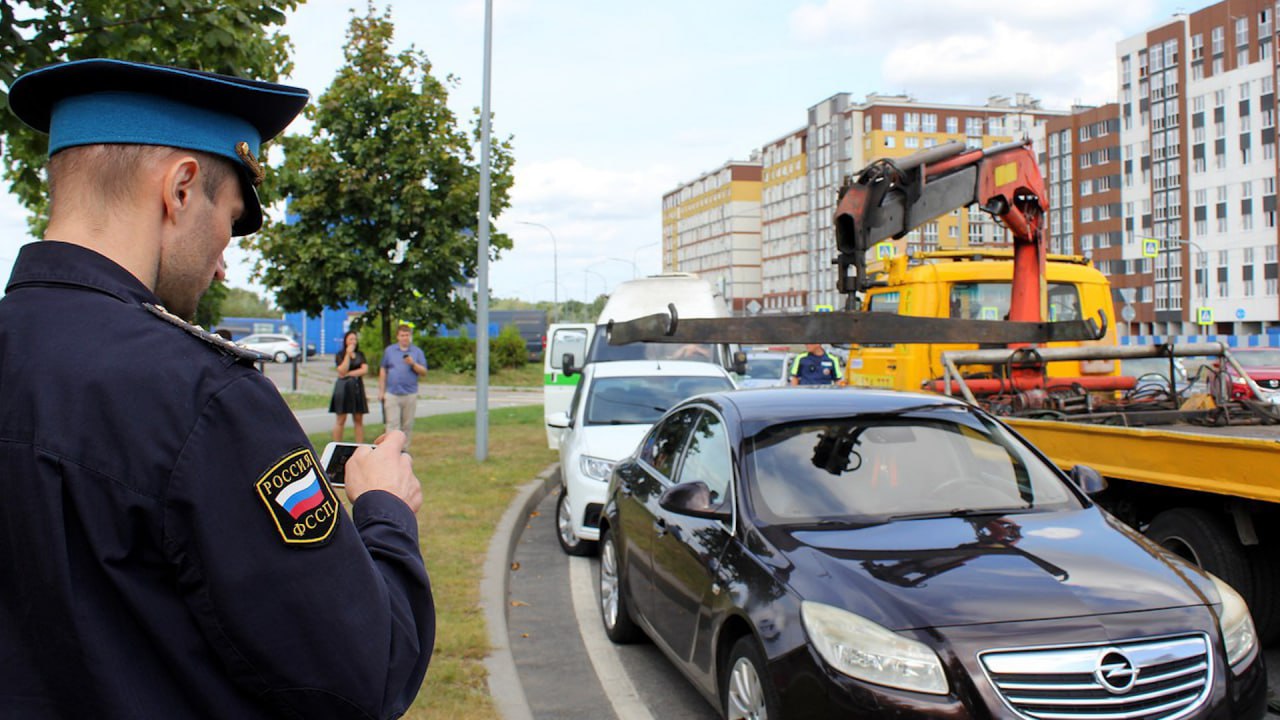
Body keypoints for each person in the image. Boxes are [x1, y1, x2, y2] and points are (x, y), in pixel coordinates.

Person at [0, 59, 434, 719]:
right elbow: (366, 673)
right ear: (179, 189)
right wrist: (385, 513)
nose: (223, 257)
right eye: (230, 221)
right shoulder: (203, 399)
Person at [379, 324, 428, 443]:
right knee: (392, 425)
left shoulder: (417, 352)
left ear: (410, 336)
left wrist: (413, 363)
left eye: (407, 335)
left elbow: (424, 372)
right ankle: (390, 450)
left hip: (410, 393)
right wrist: (381, 391)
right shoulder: (390, 350)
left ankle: (404, 451)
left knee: (407, 425)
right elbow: (383, 370)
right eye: (402, 335)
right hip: (392, 393)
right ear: (398, 337)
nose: (405, 338)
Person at [331, 329, 370, 442]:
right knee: (341, 419)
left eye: (355, 339)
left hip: (357, 388)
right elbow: (342, 370)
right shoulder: (340, 354)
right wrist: (348, 355)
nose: (353, 341)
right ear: (345, 341)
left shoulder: (360, 354)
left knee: (358, 419)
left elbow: (364, 370)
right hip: (343, 388)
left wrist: (349, 374)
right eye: (351, 339)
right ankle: (336, 445)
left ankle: (359, 446)